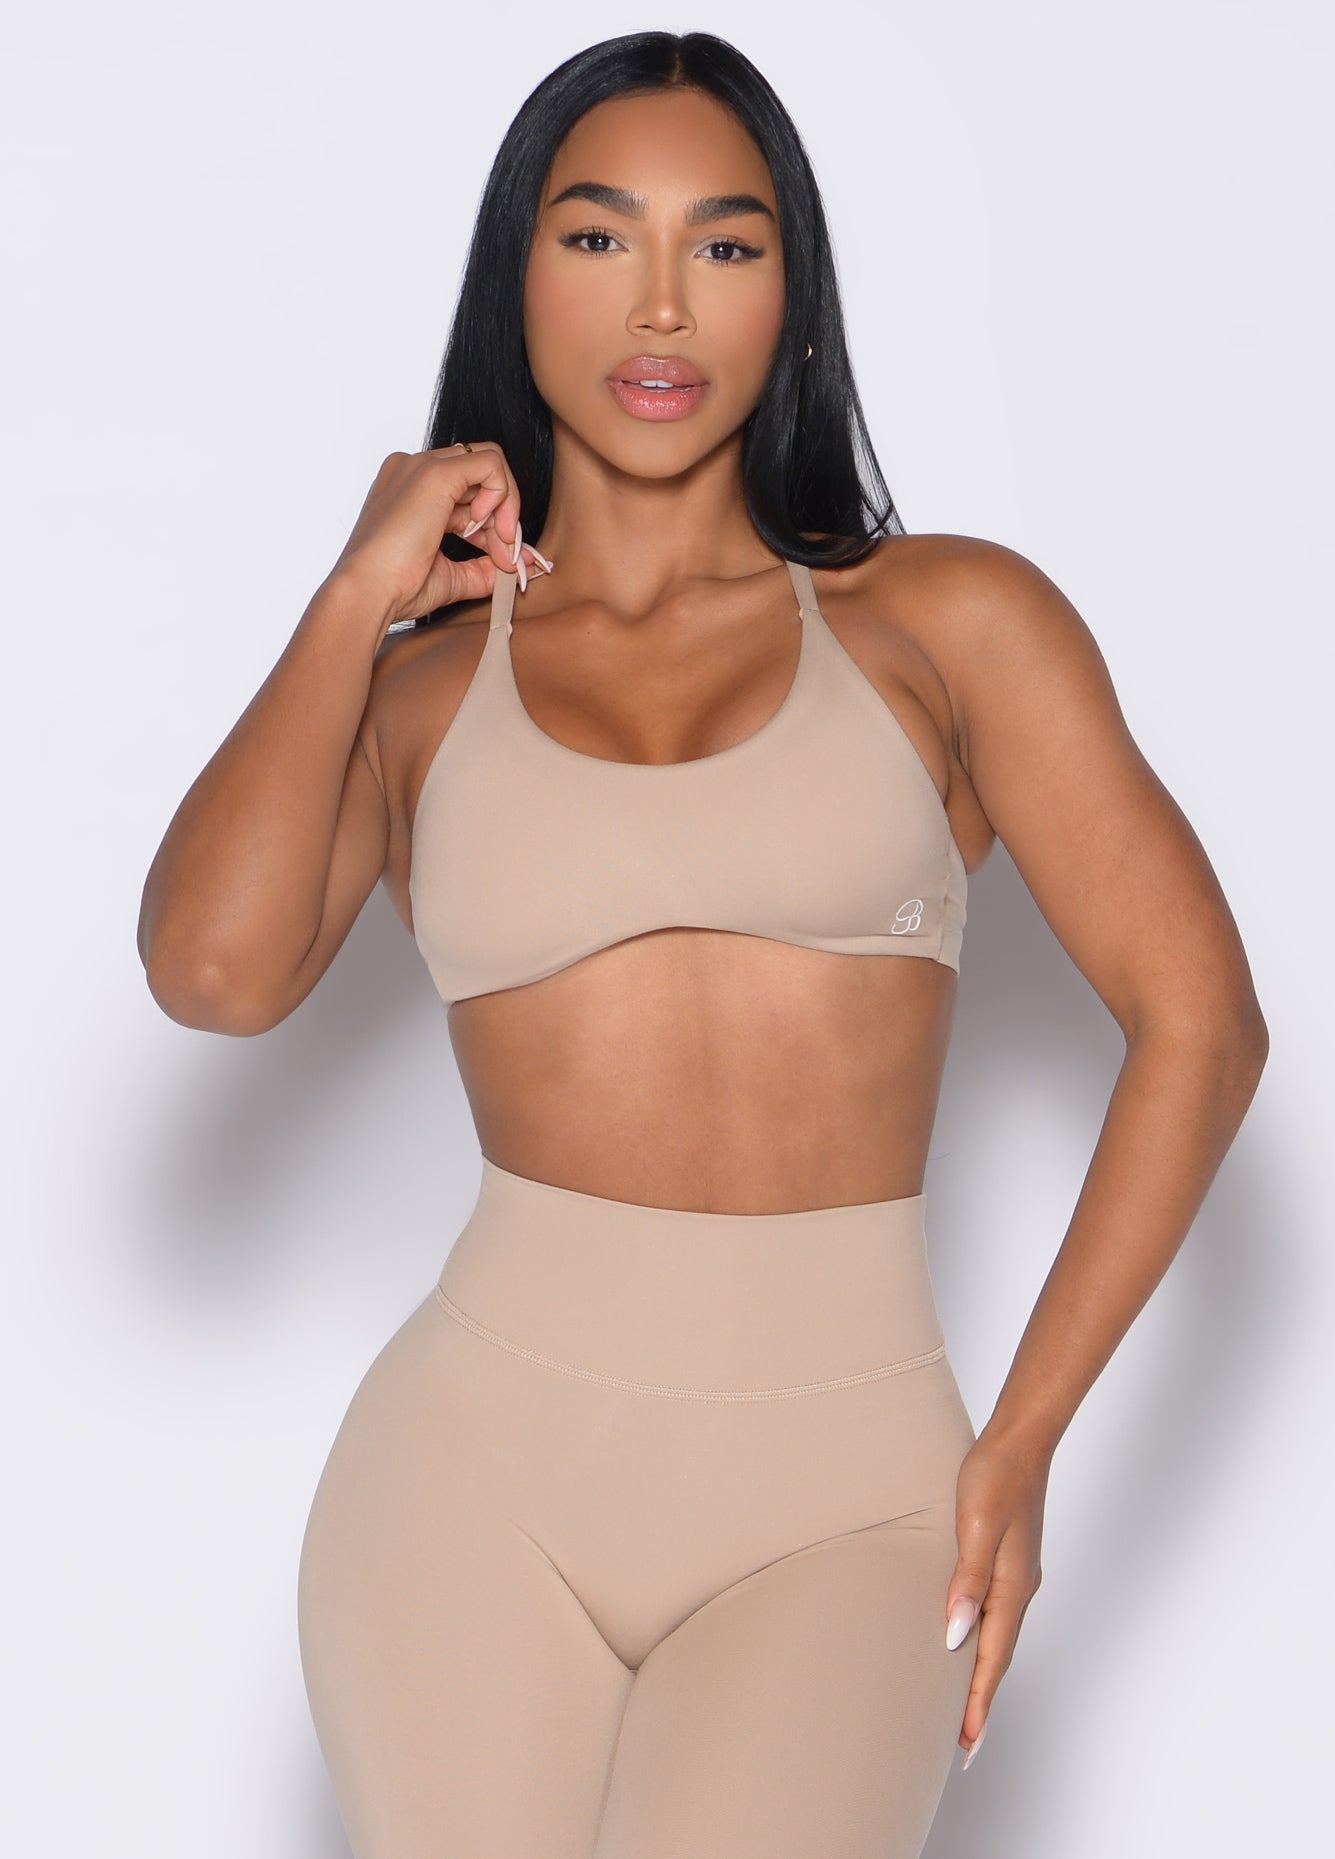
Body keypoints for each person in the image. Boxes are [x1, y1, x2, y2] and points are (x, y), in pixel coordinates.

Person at [137, 29, 1269, 1859]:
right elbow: (210, 973)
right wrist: (353, 595)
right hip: (471, 1482)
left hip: (851, 1501)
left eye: (725, 244)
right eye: (599, 237)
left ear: (790, 293)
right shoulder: (419, 692)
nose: (660, 303)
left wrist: (1024, 1437)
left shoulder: (944, 623)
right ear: (517, 278)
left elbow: (1202, 1024)